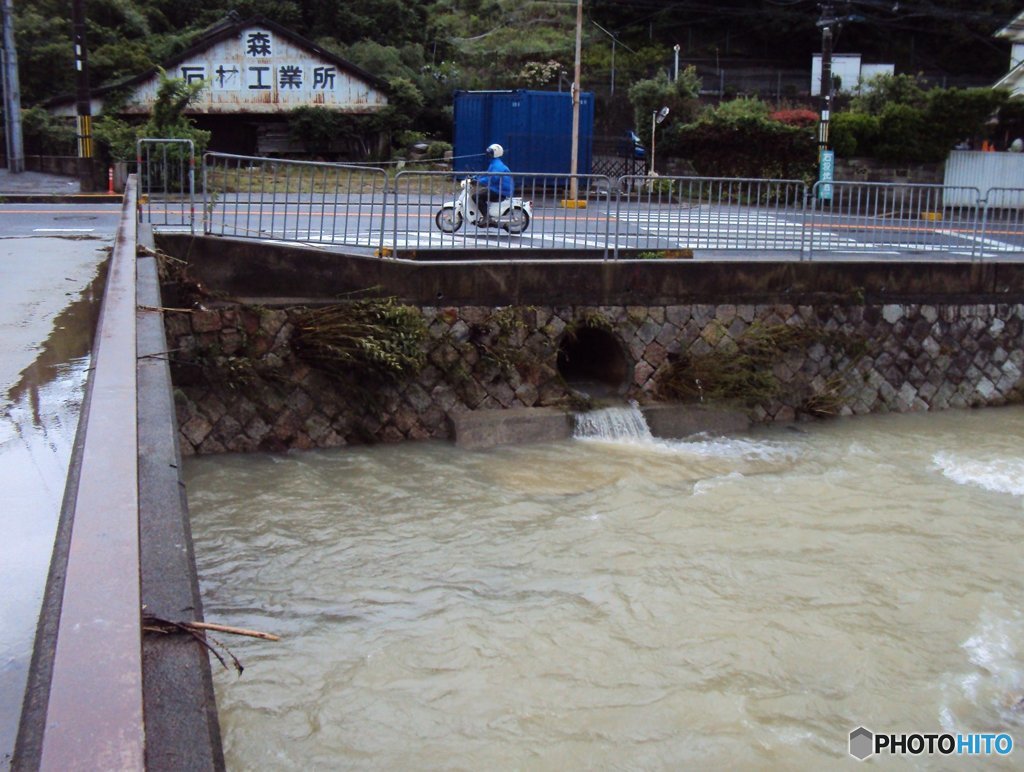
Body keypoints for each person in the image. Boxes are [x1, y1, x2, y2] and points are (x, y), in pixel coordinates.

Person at [473, 143, 514, 225]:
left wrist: (478, 181)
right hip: (497, 188)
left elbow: (492, 179)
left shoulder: (497, 165)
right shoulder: (494, 163)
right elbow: (488, 174)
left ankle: (487, 217)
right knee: (480, 193)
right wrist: (476, 176)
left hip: (500, 190)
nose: (488, 154)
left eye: (490, 152)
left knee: (476, 196)